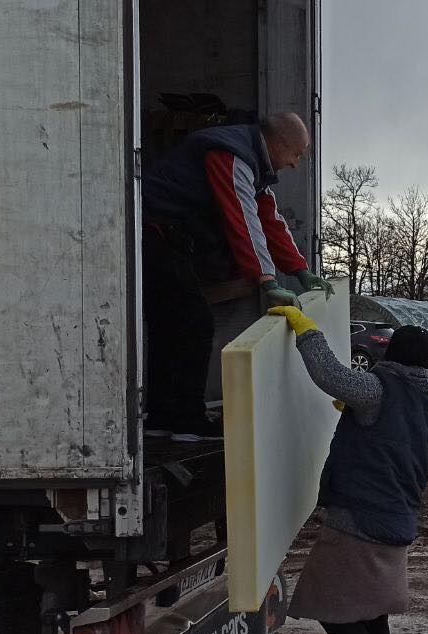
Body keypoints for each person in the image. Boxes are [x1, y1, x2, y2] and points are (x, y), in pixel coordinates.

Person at [270, 304, 428, 634]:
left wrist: (306, 329)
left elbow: (329, 373)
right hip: (395, 515)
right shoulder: (425, 399)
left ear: (392, 355)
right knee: (370, 609)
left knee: (332, 606)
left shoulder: (378, 390)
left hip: (360, 520)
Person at [140, 111, 335, 441]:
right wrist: (267, 281)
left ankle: (162, 417)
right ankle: (185, 420)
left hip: (162, 234)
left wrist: (301, 271)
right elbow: (242, 221)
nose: (295, 164)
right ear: (280, 143)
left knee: (172, 324)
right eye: (297, 154)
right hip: (151, 231)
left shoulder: (253, 166)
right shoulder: (232, 157)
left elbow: (271, 221)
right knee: (195, 322)